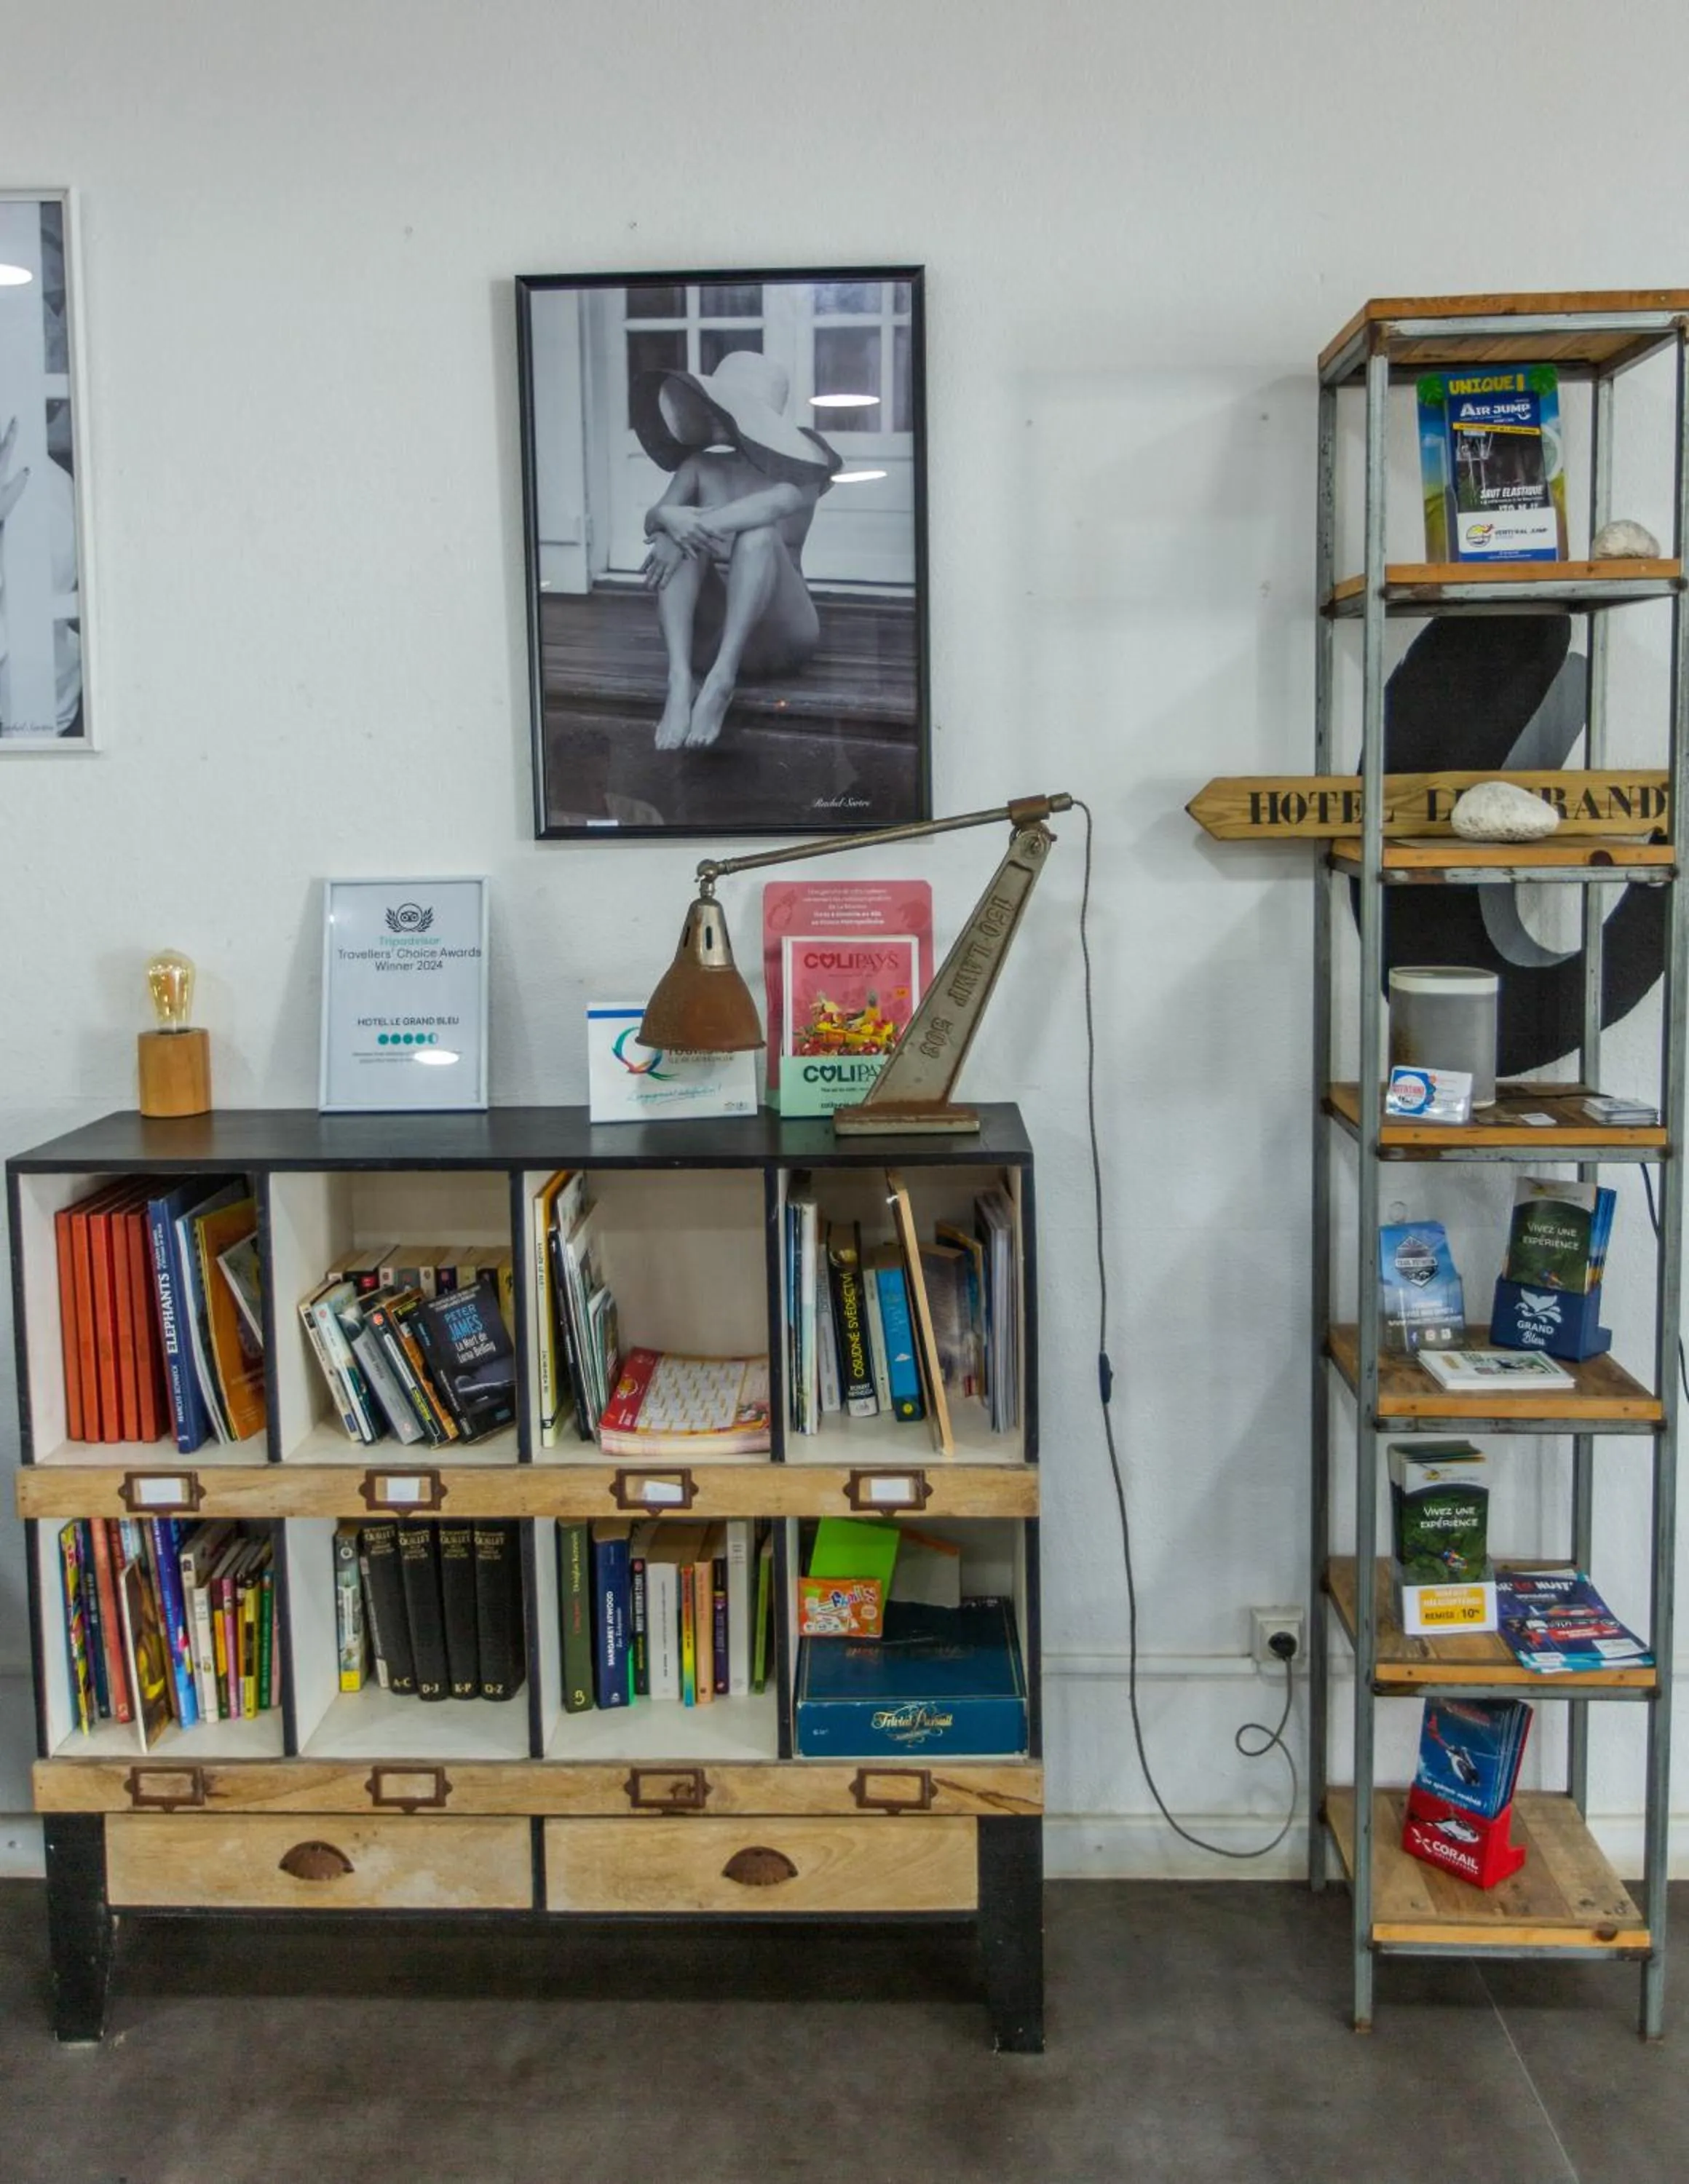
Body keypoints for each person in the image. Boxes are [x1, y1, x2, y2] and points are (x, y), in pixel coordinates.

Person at [631, 349, 839, 750]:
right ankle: (679, 680)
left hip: (781, 634)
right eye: (711, 405)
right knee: (675, 532)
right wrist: (667, 519)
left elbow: (775, 505)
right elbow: (655, 519)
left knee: (755, 533)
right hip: (705, 641)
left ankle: (722, 682)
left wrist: (681, 521)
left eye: (726, 407)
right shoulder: (701, 466)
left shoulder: (805, 463)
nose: (711, 414)